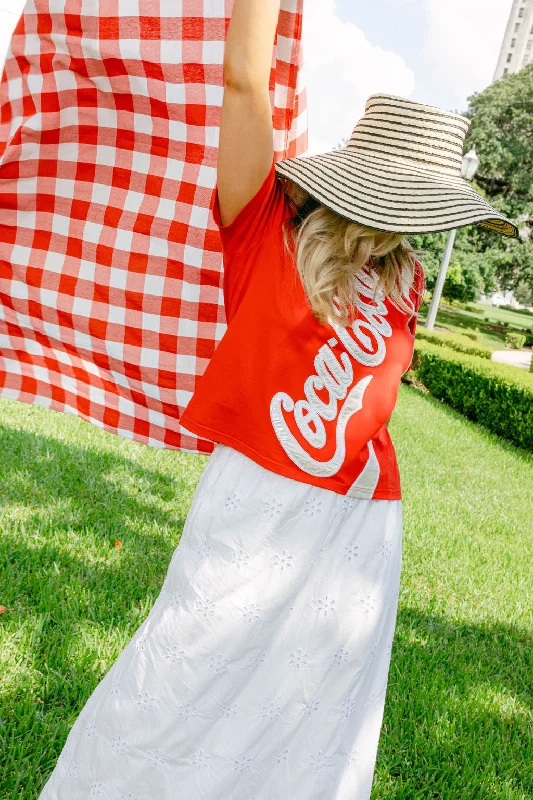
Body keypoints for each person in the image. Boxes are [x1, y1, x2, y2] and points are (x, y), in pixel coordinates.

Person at [37, 1, 518, 799]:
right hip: (255, 500)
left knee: (312, 721)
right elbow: (243, 84)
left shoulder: (403, 278)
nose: (405, 225)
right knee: (179, 682)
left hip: (361, 521)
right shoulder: (262, 222)